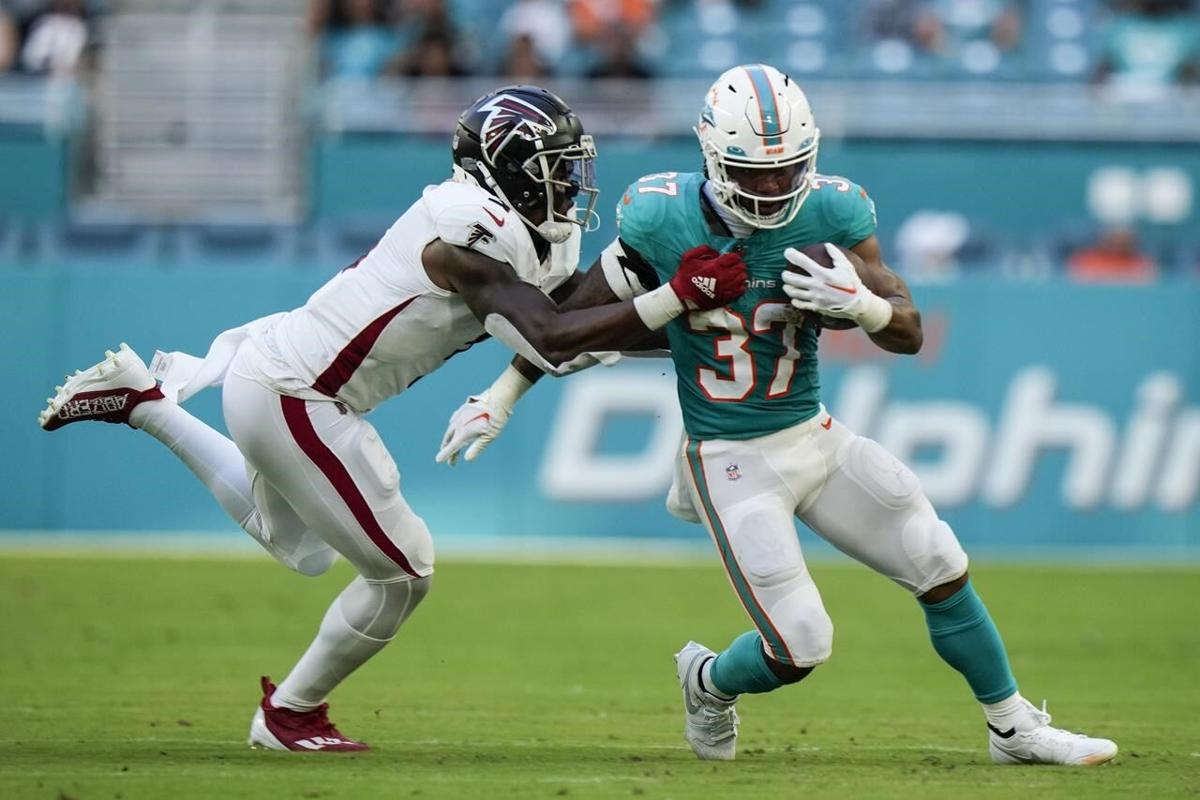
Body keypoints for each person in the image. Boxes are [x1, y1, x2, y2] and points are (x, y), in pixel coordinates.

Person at [438, 65, 1118, 767]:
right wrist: (507, 390)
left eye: (786, 169)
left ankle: (1013, 728)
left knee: (938, 558)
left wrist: (862, 306)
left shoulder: (834, 211)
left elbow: (908, 331)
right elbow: (578, 321)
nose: (771, 186)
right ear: (712, 157)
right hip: (729, 457)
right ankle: (706, 682)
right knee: (802, 644)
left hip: (812, 435)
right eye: (752, 173)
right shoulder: (660, 216)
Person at [37, 85, 747, 753]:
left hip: (283, 384)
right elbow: (553, 342)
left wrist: (698, 330)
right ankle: (290, 712)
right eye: (554, 168)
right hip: (298, 394)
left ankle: (146, 405)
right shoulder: (468, 230)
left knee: (305, 552)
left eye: (571, 166)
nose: (570, 182)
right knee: (404, 572)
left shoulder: (529, 229)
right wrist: (676, 301)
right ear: (504, 170)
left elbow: (575, 323)